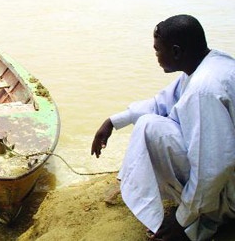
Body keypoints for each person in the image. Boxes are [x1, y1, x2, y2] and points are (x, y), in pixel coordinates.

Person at [91, 14, 235, 241]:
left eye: (158, 50)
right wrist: (113, 121)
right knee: (150, 121)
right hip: (226, 181)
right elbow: (162, 102)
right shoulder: (210, 64)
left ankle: (208, 218)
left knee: (149, 127)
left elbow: (212, 169)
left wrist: (180, 221)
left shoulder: (203, 90)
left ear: (176, 52)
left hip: (229, 194)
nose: (156, 56)